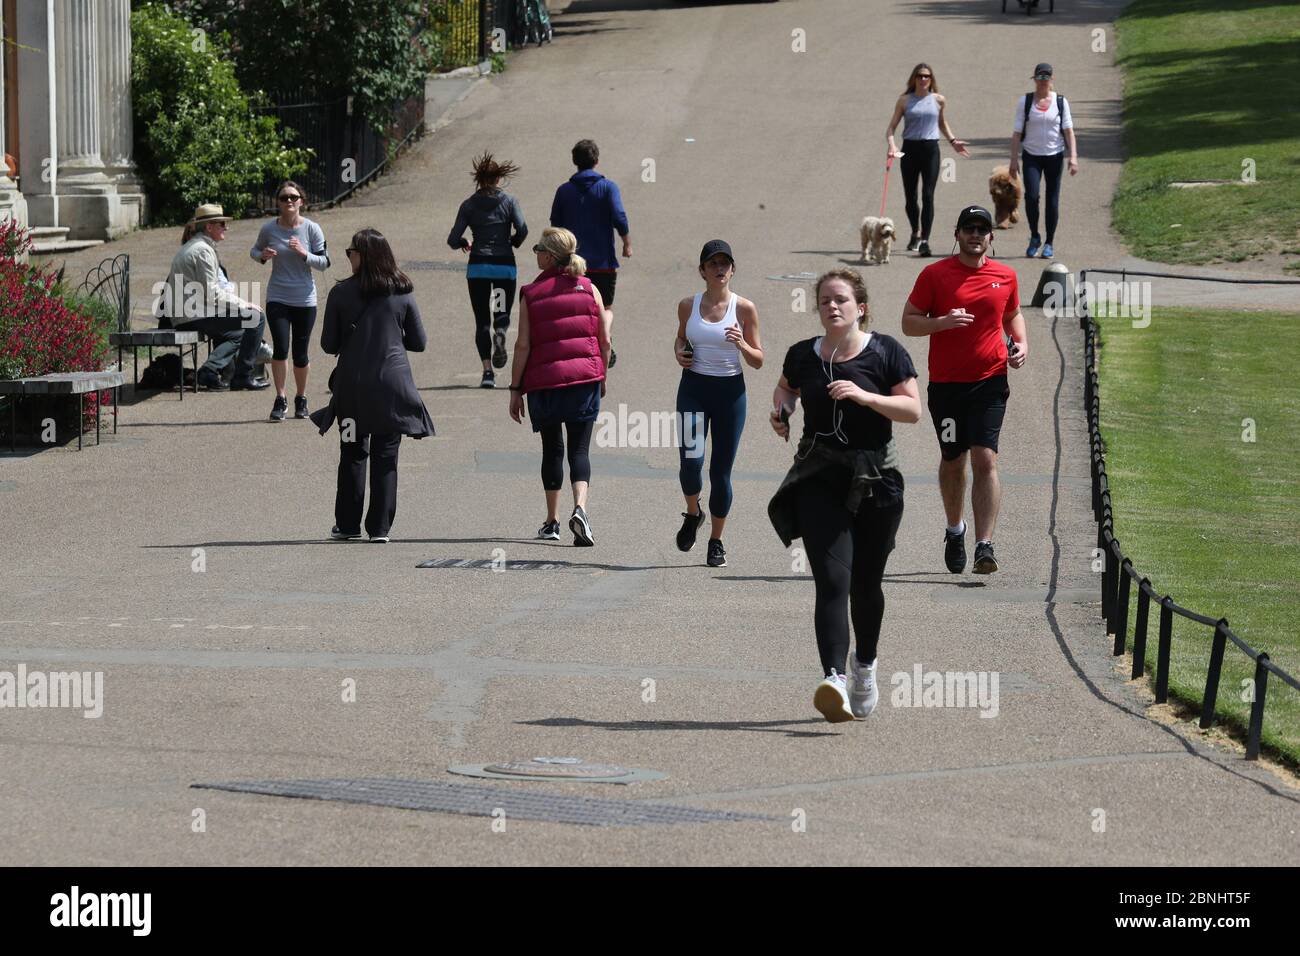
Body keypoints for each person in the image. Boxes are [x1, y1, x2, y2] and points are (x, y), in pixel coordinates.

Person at [768, 269, 921, 723]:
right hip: (819, 477)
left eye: (841, 299)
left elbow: (912, 409)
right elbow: (785, 388)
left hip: (877, 480)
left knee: (865, 584)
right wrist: (781, 411)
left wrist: (864, 396)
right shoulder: (802, 355)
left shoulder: (887, 351)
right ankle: (834, 676)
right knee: (832, 582)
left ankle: (865, 666)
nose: (832, 307)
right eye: (824, 301)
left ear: (861, 306)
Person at [901, 204, 1027, 576]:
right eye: (968, 228)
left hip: (989, 382)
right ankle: (955, 530)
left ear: (991, 236)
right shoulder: (935, 275)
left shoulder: (1005, 276)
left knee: (985, 458)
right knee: (954, 461)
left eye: (982, 229)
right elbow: (908, 323)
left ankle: (984, 544)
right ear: (956, 234)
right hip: (947, 386)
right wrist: (942, 322)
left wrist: (1021, 344)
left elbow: (1012, 315)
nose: (975, 235)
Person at [310, 229, 434, 543]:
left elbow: (328, 345)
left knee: (352, 450)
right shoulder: (402, 292)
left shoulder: (340, 294)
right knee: (386, 455)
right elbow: (419, 343)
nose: (348, 257)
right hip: (392, 389)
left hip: (352, 388)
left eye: (350, 251)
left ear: (363, 255)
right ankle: (379, 528)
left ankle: (348, 524)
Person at [508, 227, 611, 547]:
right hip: (585, 379)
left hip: (545, 383)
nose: (535, 253)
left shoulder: (530, 293)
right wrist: (602, 375)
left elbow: (522, 345)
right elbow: (604, 340)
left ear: (549, 256)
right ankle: (580, 509)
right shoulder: (589, 288)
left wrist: (515, 388)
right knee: (579, 450)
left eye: (539, 249)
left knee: (552, 449)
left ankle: (552, 521)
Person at [672, 240, 763, 568]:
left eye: (725, 264)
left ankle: (716, 541)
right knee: (690, 465)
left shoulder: (745, 308)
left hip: (730, 395)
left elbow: (759, 360)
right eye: (713, 264)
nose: (720, 269)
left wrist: (742, 345)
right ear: (702, 271)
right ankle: (693, 512)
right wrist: (680, 352)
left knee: (720, 472)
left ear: (733, 270)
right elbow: (681, 338)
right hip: (694, 391)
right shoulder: (688, 305)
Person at [160, 203, 269, 391]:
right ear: (209, 227)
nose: (226, 227)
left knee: (237, 334)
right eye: (221, 223)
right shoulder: (202, 250)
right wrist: (244, 305)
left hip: (187, 315)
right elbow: (212, 293)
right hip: (192, 316)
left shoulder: (194, 246)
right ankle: (242, 376)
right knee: (256, 318)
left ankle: (209, 371)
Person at [446, 152, 529, 389]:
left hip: (479, 267)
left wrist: (463, 243)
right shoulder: (510, 201)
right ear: (498, 178)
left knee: (481, 319)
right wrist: (513, 241)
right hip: (504, 266)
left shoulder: (469, 204)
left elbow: (453, 239)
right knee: (500, 312)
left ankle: (487, 373)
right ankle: (500, 333)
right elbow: (523, 229)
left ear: (479, 179)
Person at [250, 180, 330, 420]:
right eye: (284, 197)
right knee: (281, 348)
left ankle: (301, 397)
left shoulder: (312, 229)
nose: (289, 201)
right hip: (278, 297)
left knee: (301, 352)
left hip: (305, 298)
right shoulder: (269, 229)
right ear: (278, 202)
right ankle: (281, 397)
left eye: (293, 197)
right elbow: (254, 251)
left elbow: (325, 262)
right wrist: (262, 256)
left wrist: (304, 254)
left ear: (301, 201)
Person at [550, 139, 629, 368]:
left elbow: (556, 225)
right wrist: (626, 242)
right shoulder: (608, 187)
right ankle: (606, 337)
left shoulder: (564, 191)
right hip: (602, 263)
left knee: (576, 308)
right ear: (597, 160)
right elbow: (619, 216)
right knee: (605, 308)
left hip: (571, 264)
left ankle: (583, 349)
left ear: (575, 161)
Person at [886, 63, 970, 258]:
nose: (923, 79)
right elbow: (891, 128)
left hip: (931, 149)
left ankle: (925, 239)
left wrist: (953, 141)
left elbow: (941, 122)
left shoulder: (938, 100)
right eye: (920, 76)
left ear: (931, 80)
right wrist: (892, 145)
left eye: (927, 76)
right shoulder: (905, 100)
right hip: (910, 148)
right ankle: (915, 231)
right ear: (914, 78)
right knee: (910, 196)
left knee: (928, 195)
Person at [1010, 63, 1078, 259]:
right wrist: (1013, 161)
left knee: (1053, 201)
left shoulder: (1060, 102)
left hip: (1054, 156)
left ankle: (1049, 242)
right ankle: (1034, 236)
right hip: (1031, 156)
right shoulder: (1026, 101)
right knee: (1031, 196)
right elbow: (1016, 134)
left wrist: (1073, 157)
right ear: (1034, 79)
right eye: (1039, 78)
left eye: (1046, 78)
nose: (1042, 82)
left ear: (1052, 79)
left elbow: (1068, 131)